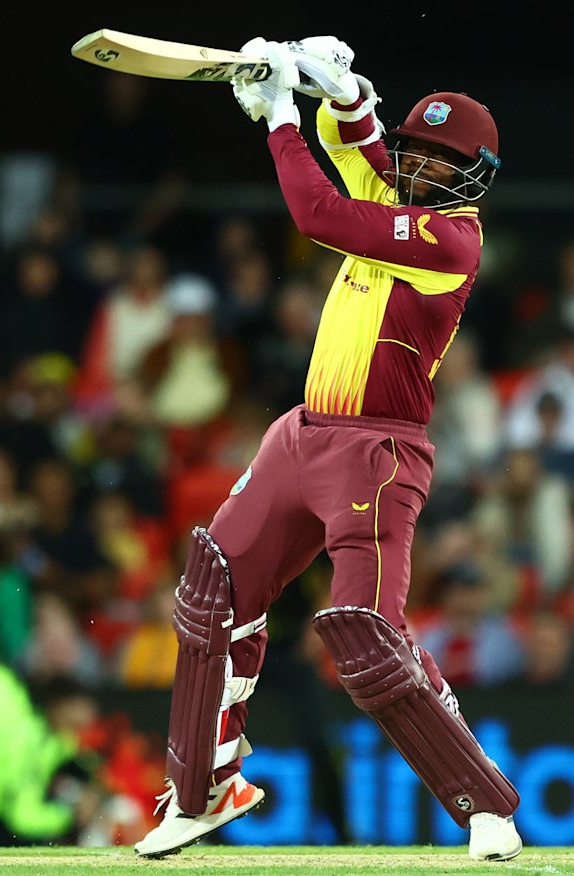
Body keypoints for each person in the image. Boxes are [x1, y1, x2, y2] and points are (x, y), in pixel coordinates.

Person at [135, 37, 521, 862]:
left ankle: (486, 806)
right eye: (415, 151)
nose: (420, 168)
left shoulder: (452, 239)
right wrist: (340, 91)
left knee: (365, 638)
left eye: (442, 160)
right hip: (301, 433)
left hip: (377, 453)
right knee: (212, 594)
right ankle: (203, 791)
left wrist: (280, 115)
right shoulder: (398, 194)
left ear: (473, 176)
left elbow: (318, 212)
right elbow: (360, 150)